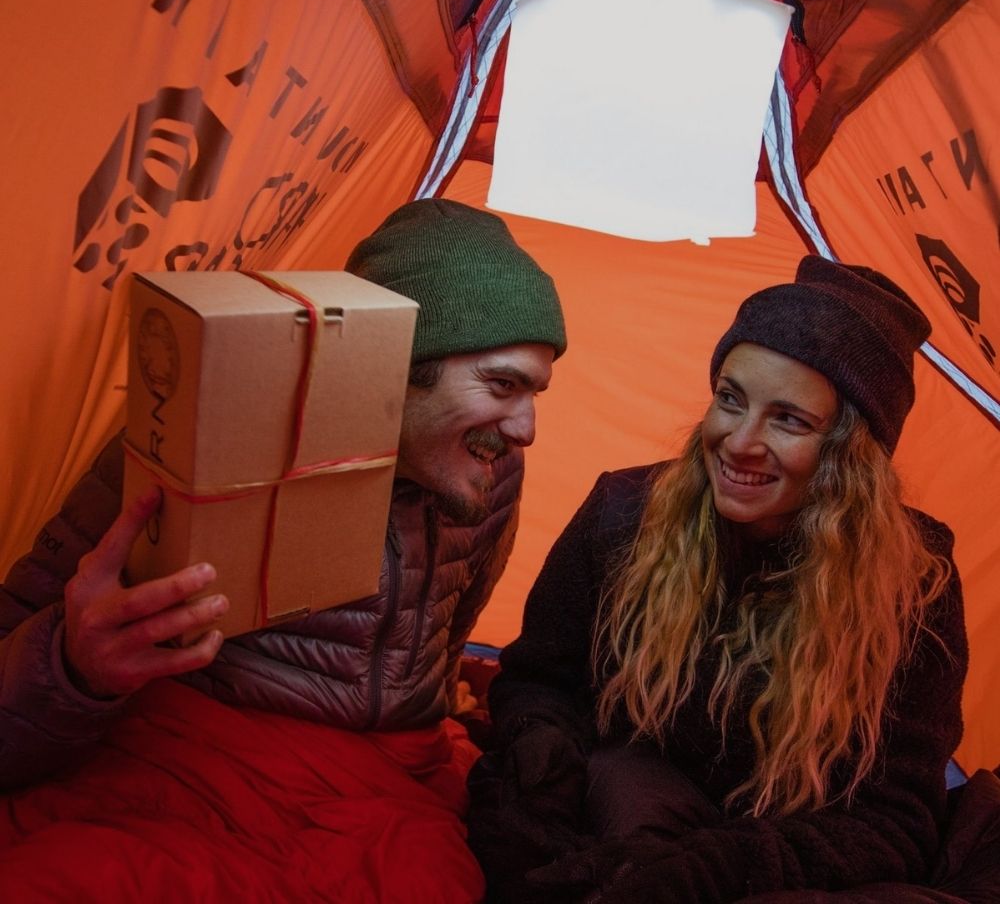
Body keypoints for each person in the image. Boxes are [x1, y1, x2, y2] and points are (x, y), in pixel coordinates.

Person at [0, 198, 565, 900]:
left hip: (389, 783)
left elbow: (455, 628)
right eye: (502, 385)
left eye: (537, 392)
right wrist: (74, 665)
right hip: (199, 756)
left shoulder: (489, 473)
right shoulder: (198, 441)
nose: (527, 428)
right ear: (398, 365)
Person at [468, 256, 969, 903]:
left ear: (852, 454)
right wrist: (543, 755)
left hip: (782, 860)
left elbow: (896, 822)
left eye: (789, 419)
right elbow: (540, 678)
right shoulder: (626, 515)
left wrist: (714, 868)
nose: (740, 441)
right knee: (613, 786)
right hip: (621, 821)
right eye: (731, 400)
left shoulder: (913, 586)